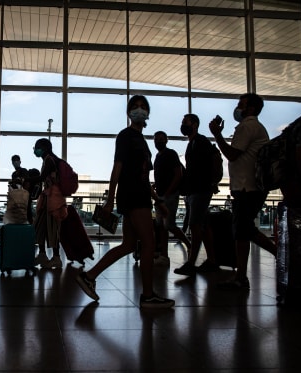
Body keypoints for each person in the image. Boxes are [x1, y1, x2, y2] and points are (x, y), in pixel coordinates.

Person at [75, 95, 175, 308]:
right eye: (135, 107)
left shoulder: (141, 140)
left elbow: (144, 177)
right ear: (128, 113)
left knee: (129, 244)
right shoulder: (126, 136)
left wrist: (157, 199)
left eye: (143, 107)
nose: (139, 110)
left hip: (138, 194)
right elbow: (117, 167)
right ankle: (148, 295)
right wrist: (110, 199)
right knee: (148, 244)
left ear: (148, 113)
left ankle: (89, 276)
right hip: (133, 196)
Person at [209, 93, 277, 289]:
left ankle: (244, 274)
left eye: (241, 105)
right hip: (247, 186)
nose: (238, 108)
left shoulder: (248, 126)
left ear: (251, 109)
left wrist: (217, 134)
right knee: (244, 230)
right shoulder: (255, 127)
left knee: (243, 230)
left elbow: (232, 154)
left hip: (247, 187)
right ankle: (242, 274)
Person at [174, 114, 220, 276]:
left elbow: (215, 157)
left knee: (195, 225)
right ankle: (212, 261)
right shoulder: (192, 143)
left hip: (201, 190)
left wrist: (214, 181)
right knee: (203, 225)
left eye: (184, 121)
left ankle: (191, 263)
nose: (182, 124)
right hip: (196, 190)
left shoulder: (200, 141)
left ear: (194, 124)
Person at [152, 130, 191, 267]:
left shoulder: (170, 154)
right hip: (161, 195)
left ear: (166, 140)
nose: (159, 141)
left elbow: (178, 174)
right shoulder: (158, 156)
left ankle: (187, 244)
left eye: (161, 139)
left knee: (168, 225)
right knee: (162, 226)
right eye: (157, 139)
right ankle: (164, 255)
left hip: (169, 195)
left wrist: (168, 193)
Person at [29, 138, 67, 269]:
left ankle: (56, 258)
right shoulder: (48, 160)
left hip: (53, 200)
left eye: (37, 147)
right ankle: (42, 254)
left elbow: (41, 177)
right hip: (48, 198)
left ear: (44, 148)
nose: (35, 150)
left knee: (52, 228)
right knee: (40, 226)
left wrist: (27, 179)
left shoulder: (50, 160)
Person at [10, 154, 33, 224]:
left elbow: (25, 182)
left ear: (20, 162)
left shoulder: (24, 170)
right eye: (14, 161)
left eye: (17, 161)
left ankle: (30, 229)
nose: (15, 163)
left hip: (25, 195)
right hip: (17, 196)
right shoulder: (14, 174)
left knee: (27, 213)